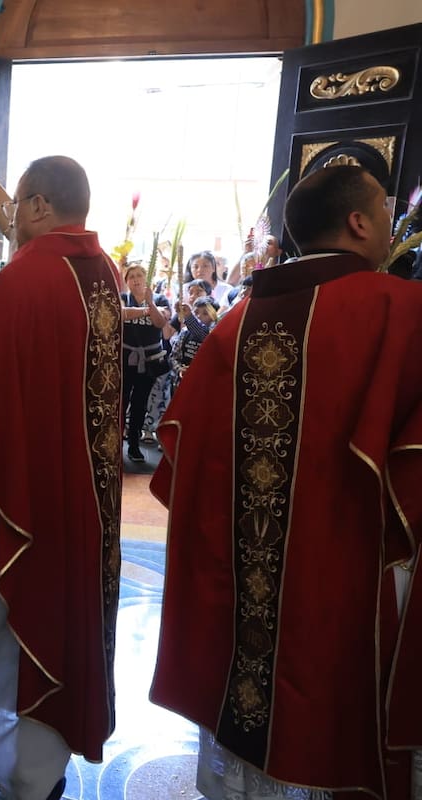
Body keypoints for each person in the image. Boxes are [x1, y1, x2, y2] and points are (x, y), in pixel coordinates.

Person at [150, 164, 422, 800]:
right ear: (358, 223)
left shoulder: (236, 322)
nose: (394, 224)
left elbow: (186, 463)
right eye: (386, 211)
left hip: (243, 582)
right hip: (348, 580)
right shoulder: (402, 311)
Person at [0, 152, 123, 800]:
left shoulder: (23, 278)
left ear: (38, 205)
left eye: (19, 205)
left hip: (17, 486)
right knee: (59, 613)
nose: (11, 219)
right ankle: (37, 758)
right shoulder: (103, 273)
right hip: (84, 490)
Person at [120, 263, 173, 462]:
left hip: (149, 361)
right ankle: (116, 443)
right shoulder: (123, 297)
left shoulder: (159, 299)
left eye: (139, 275)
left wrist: (150, 304)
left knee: (140, 403)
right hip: (126, 358)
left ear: (146, 278)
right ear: (126, 281)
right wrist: (145, 311)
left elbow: (160, 322)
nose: (136, 279)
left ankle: (134, 445)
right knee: (122, 401)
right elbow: (121, 313)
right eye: (131, 276)